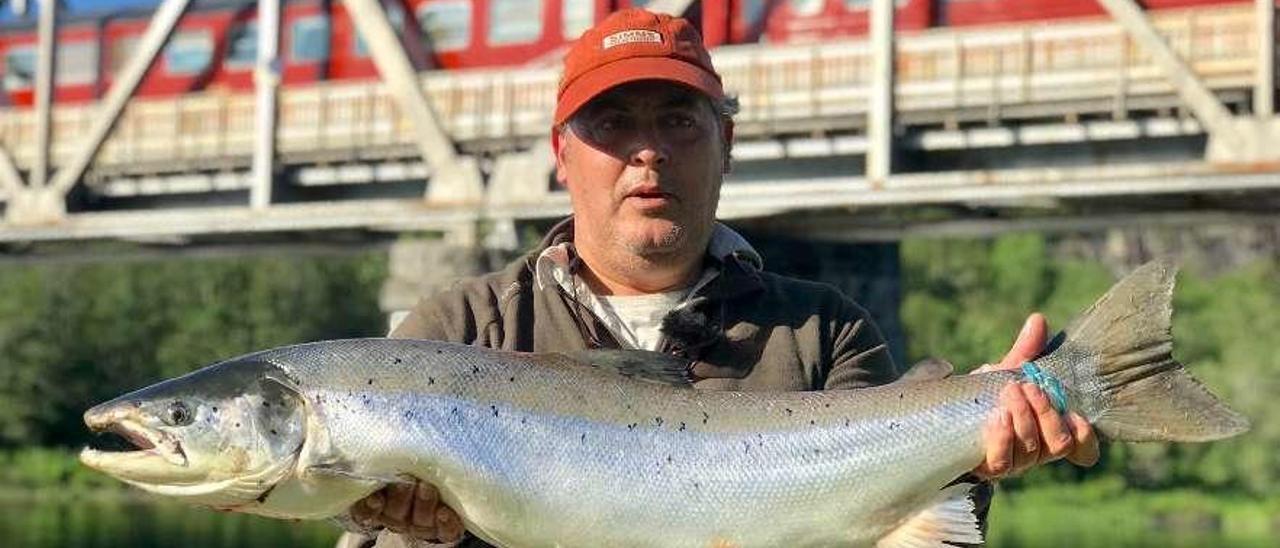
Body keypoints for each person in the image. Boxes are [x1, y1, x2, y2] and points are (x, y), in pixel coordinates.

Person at [336, 8, 1098, 548]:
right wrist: (404, 534)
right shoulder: (460, 332)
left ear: (725, 143)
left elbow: (900, 533)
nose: (648, 151)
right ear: (562, 154)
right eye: (611, 124)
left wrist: (978, 442)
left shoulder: (824, 332)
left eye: (677, 120)